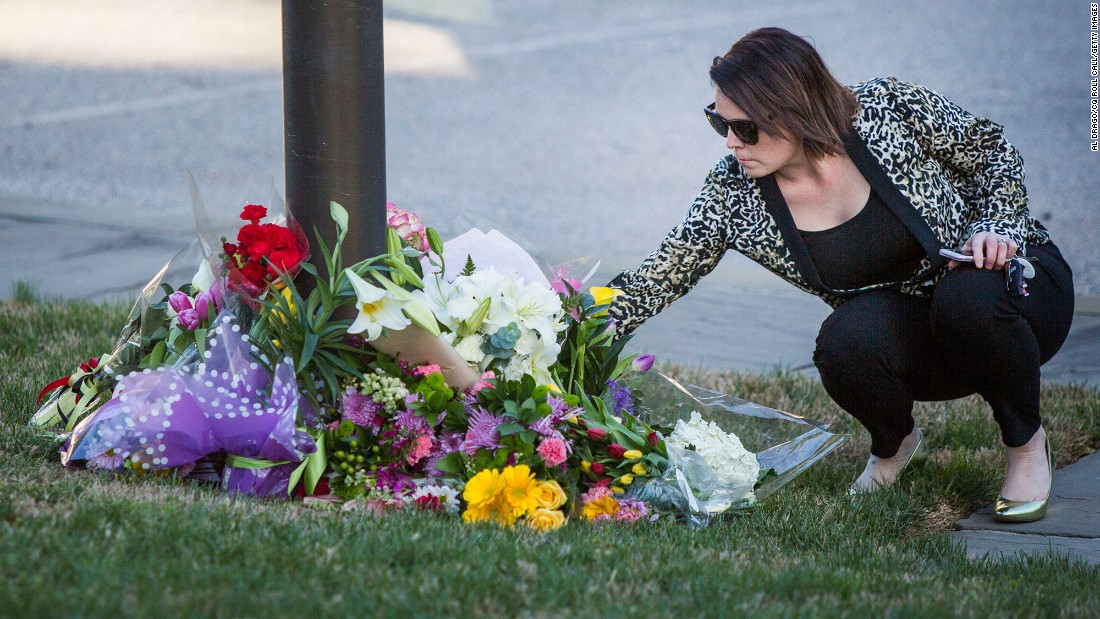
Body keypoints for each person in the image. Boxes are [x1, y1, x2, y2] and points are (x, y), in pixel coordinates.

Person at [606, 27, 1075, 522]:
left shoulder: (886, 109)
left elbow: (991, 152)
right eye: (717, 122)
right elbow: (663, 275)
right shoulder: (734, 191)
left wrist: (996, 226)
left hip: (1011, 294)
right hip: (925, 332)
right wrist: (569, 324)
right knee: (843, 343)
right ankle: (894, 445)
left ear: (793, 111)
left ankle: (1026, 443)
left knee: (967, 299)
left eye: (744, 128)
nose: (730, 143)